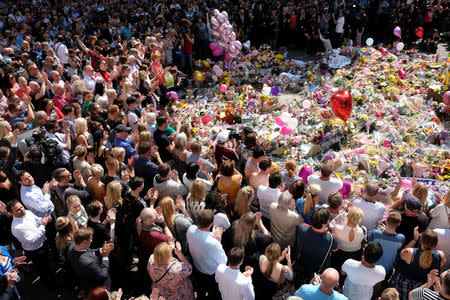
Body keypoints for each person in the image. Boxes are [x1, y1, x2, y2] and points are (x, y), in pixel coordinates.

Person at [7, 200, 53, 286]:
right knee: (43, 270)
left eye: (21, 207)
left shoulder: (27, 212)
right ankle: (49, 285)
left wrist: (44, 220)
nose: (22, 209)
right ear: (11, 213)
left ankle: (51, 277)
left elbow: (37, 220)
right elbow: (32, 239)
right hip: (36, 250)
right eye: (17, 209)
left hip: (43, 243)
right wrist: (43, 225)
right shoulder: (17, 227)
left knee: (48, 264)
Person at [392, 229, 446, 300]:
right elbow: (440, 265)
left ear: (421, 241)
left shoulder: (409, 252)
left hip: (404, 287)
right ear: (435, 243)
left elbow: (402, 253)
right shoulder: (441, 255)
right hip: (422, 292)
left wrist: (414, 240)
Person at [186, 209, 227, 300]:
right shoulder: (213, 242)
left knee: (201, 291)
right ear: (212, 223)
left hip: (197, 267)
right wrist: (218, 239)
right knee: (213, 293)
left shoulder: (190, 229)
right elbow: (223, 261)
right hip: (211, 274)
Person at [295, 208, 339, 284]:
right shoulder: (332, 239)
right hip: (319, 272)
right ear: (324, 224)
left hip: (302, 264)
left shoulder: (301, 228)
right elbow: (335, 249)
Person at [67, 227, 114, 293]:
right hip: (97, 287)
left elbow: (88, 251)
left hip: (84, 280)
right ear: (85, 242)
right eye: (91, 239)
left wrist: (99, 250)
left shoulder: (72, 246)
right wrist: (105, 256)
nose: (92, 240)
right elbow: (102, 276)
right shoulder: (89, 262)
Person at [368, 211, 405, 277]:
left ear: (386, 221)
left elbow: (369, 244)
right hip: (386, 271)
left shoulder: (375, 233)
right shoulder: (401, 238)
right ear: (399, 224)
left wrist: (381, 232)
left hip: (371, 267)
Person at [329, 206, 365, 274]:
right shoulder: (362, 231)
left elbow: (331, 225)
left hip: (340, 254)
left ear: (347, 216)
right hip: (355, 255)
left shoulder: (337, 228)